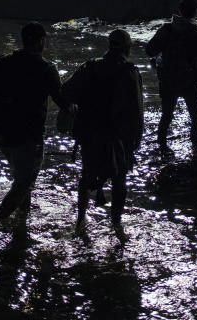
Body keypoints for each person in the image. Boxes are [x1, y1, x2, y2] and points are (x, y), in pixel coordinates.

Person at [0, 22, 68, 223]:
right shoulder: (46, 68)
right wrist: (74, 108)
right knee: (24, 182)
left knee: (21, 173)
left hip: (0, 130)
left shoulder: (3, 62)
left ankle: (23, 218)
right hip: (27, 134)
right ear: (41, 42)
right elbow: (61, 100)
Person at [61, 29, 143, 241]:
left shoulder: (90, 67)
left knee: (87, 175)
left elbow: (66, 92)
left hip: (90, 132)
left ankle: (80, 220)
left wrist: (77, 110)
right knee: (119, 179)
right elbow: (136, 109)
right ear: (127, 47)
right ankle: (116, 223)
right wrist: (135, 140)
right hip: (117, 136)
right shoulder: (130, 71)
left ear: (108, 46)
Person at [146, 0, 197, 152]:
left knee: (166, 116)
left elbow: (150, 50)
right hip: (189, 81)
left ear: (179, 11)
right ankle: (196, 147)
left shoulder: (166, 29)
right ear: (195, 12)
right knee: (196, 117)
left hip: (167, 80)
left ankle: (161, 147)